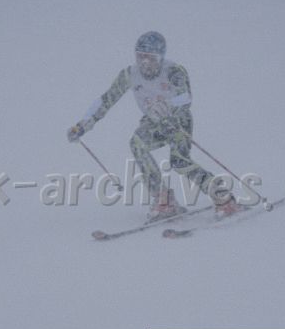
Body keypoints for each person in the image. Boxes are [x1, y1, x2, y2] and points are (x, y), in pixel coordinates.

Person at [67, 31, 243, 221]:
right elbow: (106, 100)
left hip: (177, 121)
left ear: (161, 57)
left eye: (150, 58)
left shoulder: (174, 71)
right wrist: (83, 125)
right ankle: (163, 199)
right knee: (137, 143)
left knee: (179, 162)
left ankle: (223, 197)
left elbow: (186, 97)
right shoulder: (130, 74)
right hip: (153, 123)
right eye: (140, 56)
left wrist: (168, 106)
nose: (145, 63)